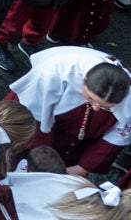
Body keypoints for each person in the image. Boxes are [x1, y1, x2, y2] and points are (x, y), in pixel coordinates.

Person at [8, 46, 131, 174]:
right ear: (84, 79)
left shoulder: (128, 98)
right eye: (91, 99)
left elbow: (115, 137)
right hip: (36, 127)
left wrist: (78, 169)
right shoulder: (52, 74)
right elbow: (31, 118)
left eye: (106, 107)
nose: (96, 108)